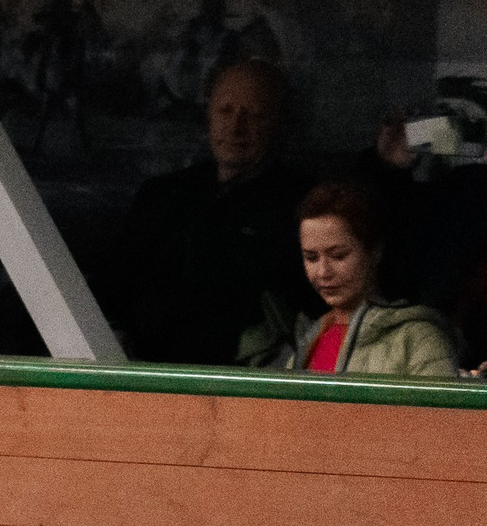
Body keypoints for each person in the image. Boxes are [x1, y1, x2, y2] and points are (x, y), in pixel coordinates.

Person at [117, 59, 318, 365]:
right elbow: (118, 282)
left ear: (277, 122)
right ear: (208, 115)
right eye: (226, 111)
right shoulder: (160, 196)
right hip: (145, 379)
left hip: (243, 389)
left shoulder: (305, 205)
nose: (236, 127)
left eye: (254, 115)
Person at [237, 181, 458, 377]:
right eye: (311, 257)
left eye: (338, 255)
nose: (323, 272)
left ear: (374, 252)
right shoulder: (309, 338)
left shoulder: (419, 339)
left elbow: (443, 422)